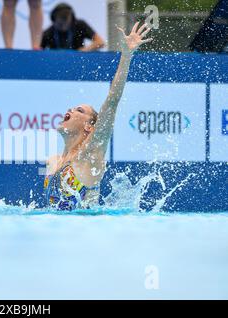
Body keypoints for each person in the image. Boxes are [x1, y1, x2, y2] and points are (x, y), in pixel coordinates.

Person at [44, 22, 153, 210]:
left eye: (79, 110)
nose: (69, 110)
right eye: (72, 108)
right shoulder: (53, 162)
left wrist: (126, 56)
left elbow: (112, 101)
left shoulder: (90, 154)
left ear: (89, 127)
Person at [41, 3, 105, 51]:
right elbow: (38, 53)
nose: (63, 27)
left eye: (66, 22)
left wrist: (85, 50)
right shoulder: (48, 33)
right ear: (53, 21)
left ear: (72, 20)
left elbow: (100, 42)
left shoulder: (80, 26)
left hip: (78, 60)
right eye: (60, 24)